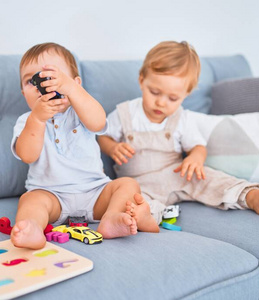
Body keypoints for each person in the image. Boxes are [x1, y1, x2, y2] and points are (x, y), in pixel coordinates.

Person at [98, 41, 259, 224]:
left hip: (177, 173)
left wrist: (196, 159)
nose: (161, 102)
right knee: (130, 199)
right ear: (142, 80)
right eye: (155, 92)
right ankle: (146, 218)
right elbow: (102, 137)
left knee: (211, 179)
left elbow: (197, 147)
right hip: (138, 183)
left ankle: (254, 198)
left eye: (173, 98)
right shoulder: (124, 113)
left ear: (186, 94)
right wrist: (112, 147)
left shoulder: (182, 119)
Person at [10, 43, 159, 249]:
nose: (41, 86)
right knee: (30, 201)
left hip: (95, 192)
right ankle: (33, 228)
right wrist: (37, 119)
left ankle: (111, 218)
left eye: (52, 77)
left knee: (126, 184)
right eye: (30, 81)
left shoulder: (81, 111)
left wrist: (71, 90)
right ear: (23, 92)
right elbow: (27, 155)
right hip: (51, 196)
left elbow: (98, 122)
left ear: (75, 84)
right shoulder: (26, 120)